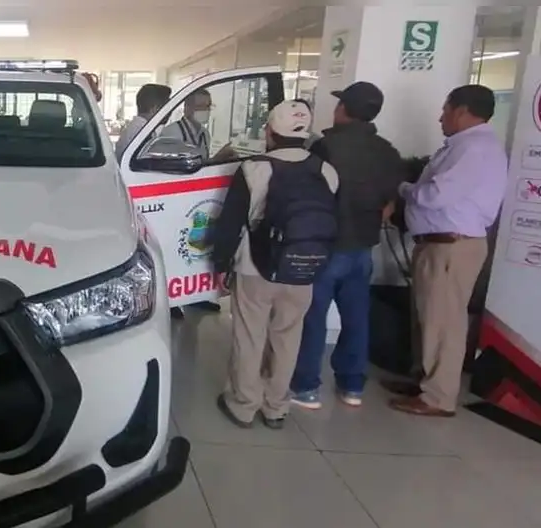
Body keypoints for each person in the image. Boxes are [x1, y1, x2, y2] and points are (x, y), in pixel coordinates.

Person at [210, 100, 339, 429]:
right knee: (287, 337)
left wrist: (221, 263)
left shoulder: (253, 168)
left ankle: (243, 404)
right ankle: (276, 406)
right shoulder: (326, 170)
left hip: (256, 267)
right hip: (304, 269)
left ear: (270, 132)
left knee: (250, 336)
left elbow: (231, 222)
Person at [386, 85, 508, 418]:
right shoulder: (463, 145)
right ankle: (424, 380)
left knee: (444, 322)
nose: (441, 116)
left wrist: (404, 189)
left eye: (446, 109)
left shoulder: (474, 148)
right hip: (438, 245)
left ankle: (438, 396)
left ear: (463, 111)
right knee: (428, 318)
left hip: (452, 247)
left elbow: (436, 195)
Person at [288, 82, 404, 410]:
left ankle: (307, 387)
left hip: (327, 247)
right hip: (363, 249)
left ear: (344, 110)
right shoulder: (387, 151)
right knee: (356, 318)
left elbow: (310, 196)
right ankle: (352, 386)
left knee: (314, 317)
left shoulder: (326, 148)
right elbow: (390, 200)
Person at [160, 89, 237, 161]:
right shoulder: (171, 133)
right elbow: (171, 168)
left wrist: (219, 157)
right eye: (200, 106)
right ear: (187, 108)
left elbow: (201, 165)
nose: (206, 110)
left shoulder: (205, 134)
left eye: (208, 106)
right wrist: (216, 158)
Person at [115, 84, 172, 162]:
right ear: (155, 109)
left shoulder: (138, 129)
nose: (170, 112)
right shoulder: (141, 134)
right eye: (167, 108)